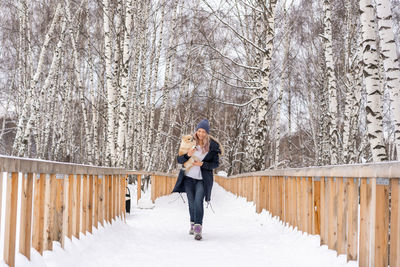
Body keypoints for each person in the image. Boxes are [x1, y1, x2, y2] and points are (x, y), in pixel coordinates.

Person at [172, 119, 223, 240]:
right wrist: (188, 155)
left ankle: (198, 228)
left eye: (204, 131)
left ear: (207, 133)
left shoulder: (212, 146)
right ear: (196, 131)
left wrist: (203, 165)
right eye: (199, 130)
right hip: (188, 178)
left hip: (202, 179)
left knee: (198, 201)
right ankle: (193, 223)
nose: (201, 133)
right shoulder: (189, 143)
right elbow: (179, 160)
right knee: (191, 202)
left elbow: (215, 164)